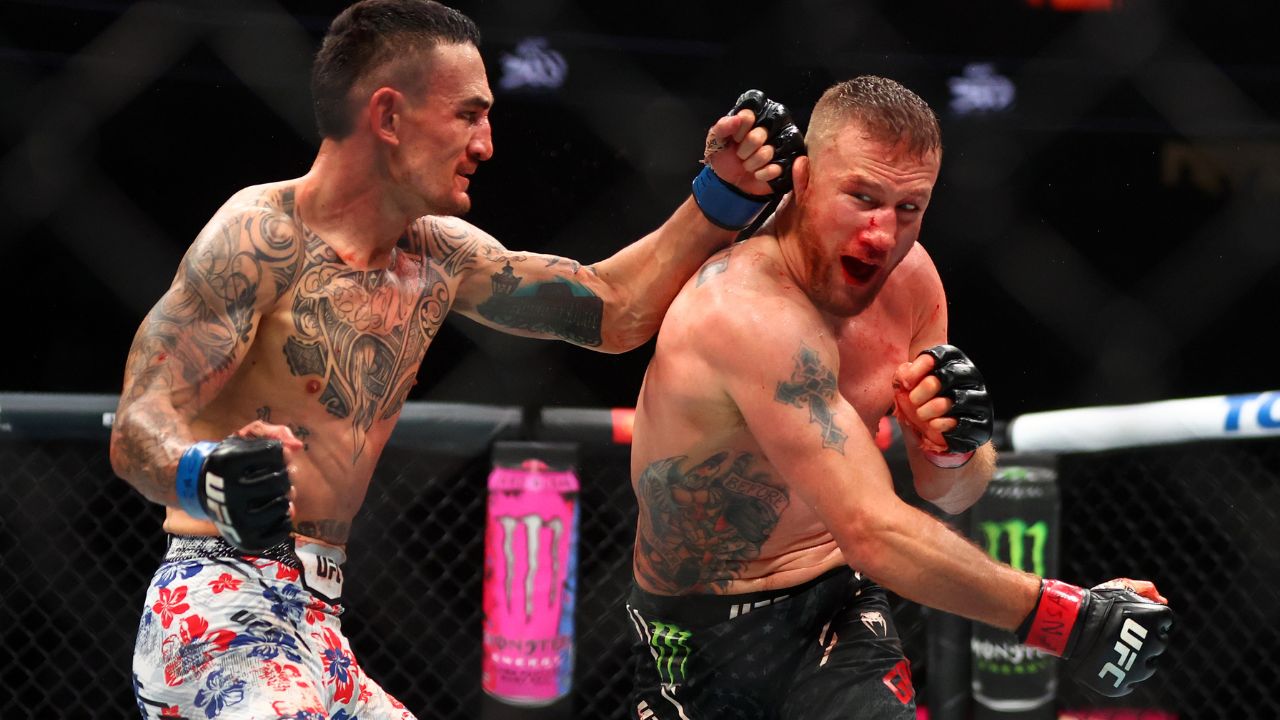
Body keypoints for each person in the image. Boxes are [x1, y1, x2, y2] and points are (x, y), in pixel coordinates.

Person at [108, 1, 804, 717]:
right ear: (389, 117)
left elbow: (610, 310)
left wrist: (721, 197)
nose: (487, 144)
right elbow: (137, 425)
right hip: (218, 612)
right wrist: (206, 474)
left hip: (320, 625)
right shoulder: (258, 237)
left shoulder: (439, 257)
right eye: (469, 114)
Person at [626, 75, 1173, 719]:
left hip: (837, 607)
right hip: (696, 632)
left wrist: (950, 451)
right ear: (803, 181)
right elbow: (871, 530)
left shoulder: (912, 284)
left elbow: (953, 494)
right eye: (862, 197)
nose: (883, 235)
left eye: (908, 208)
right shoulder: (743, 309)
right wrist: (1065, 618)